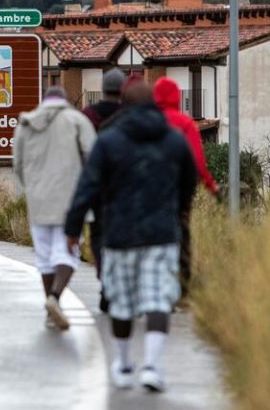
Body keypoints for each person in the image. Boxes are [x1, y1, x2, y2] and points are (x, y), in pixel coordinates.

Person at [64, 81, 197, 392]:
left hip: (118, 234)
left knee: (122, 304)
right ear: (154, 105)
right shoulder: (175, 141)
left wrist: (73, 228)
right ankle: (152, 366)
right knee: (158, 300)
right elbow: (188, 182)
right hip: (162, 234)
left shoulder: (108, 141)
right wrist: (176, 213)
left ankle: (123, 364)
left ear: (123, 104)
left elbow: (87, 187)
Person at [13, 86, 96, 331]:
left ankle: (51, 311)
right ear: (64, 100)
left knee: (45, 257)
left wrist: (31, 188)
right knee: (67, 253)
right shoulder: (77, 120)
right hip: (71, 200)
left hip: (38, 201)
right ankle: (55, 298)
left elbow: (18, 164)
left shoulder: (25, 124)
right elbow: (92, 158)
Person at [153, 77, 219, 298]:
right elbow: (197, 160)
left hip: (150, 188)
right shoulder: (185, 123)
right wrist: (210, 186)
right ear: (176, 97)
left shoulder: (149, 122)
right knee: (182, 231)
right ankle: (183, 283)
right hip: (179, 188)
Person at [81, 68, 125, 312]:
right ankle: (119, 279)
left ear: (103, 88)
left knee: (98, 236)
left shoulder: (88, 115)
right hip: (125, 187)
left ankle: (104, 276)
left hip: (97, 186)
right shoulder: (128, 115)